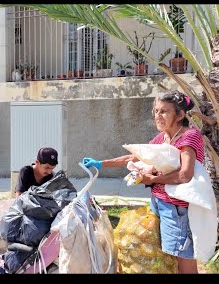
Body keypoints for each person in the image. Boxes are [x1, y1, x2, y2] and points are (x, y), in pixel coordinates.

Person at [82, 90, 204, 274]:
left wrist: (154, 179)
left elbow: (185, 175)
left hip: (177, 209)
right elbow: (134, 157)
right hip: (159, 203)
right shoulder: (161, 138)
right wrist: (101, 163)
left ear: (180, 115)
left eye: (164, 111)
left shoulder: (189, 136)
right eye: (156, 111)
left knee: (183, 257)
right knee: (169, 255)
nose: (158, 116)